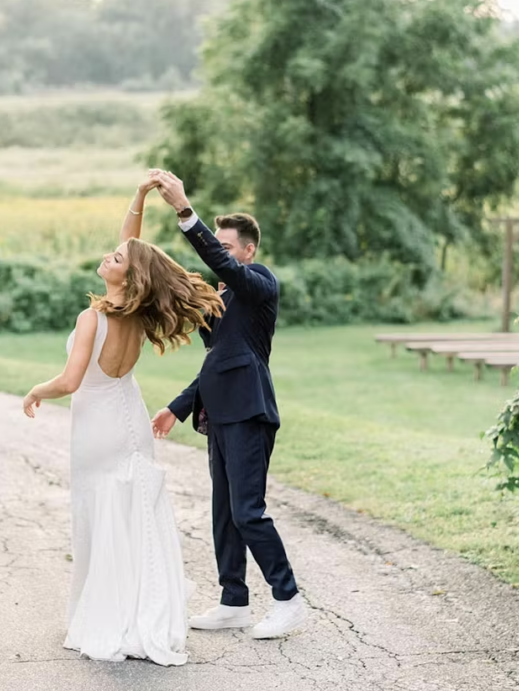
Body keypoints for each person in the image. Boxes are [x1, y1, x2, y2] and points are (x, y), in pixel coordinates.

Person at [22, 178, 224, 666]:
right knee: (130, 513)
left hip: (96, 426)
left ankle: (105, 614)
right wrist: (138, 199)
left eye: (116, 259)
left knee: (99, 515)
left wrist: (36, 390)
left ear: (127, 278)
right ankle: (136, 609)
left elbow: (71, 382)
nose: (109, 257)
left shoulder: (93, 316)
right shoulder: (135, 311)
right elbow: (132, 250)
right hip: (127, 416)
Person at [148, 169, 308, 640]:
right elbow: (216, 362)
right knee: (224, 511)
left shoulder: (259, 282)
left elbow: (226, 268)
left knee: (248, 511)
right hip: (218, 414)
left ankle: (288, 599)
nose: (221, 251)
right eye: (216, 242)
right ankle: (233, 600)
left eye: (226, 244)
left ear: (248, 250)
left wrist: (185, 213)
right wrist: (177, 407)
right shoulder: (219, 302)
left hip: (249, 411)